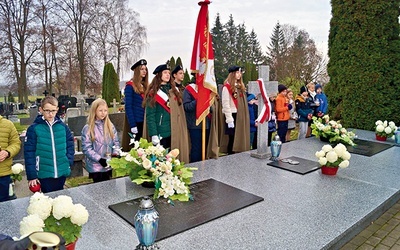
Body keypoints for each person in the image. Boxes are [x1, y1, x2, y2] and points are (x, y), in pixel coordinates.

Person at [25, 96, 74, 193]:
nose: (50, 114)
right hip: (44, 171)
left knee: (60, 196)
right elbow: (29, 152)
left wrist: (68, 161)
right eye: (47, 110)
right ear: (41, 110)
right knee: (47, 198)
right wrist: (32, 175)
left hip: (61, 170)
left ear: (57, 110)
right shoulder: (34, 128)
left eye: (53, 110)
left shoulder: (63, 127)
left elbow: (70, 145)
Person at [144, 63, 190, 163]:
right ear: (159, 75)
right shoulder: (153, 93)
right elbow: (150, 116)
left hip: (174, 131)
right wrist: (153, 134)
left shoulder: (174, 90)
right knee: (161, 161)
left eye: (169, 73)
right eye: (165, 72)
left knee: (172, 160)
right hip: (161, 131)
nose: (168, 75)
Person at [81, 98, 120, 183]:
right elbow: (86, 148)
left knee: (110, 186)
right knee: (98, 189)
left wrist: (115, 153)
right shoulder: (88, 128)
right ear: (94, 111)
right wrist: (99, 159)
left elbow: (115, 142)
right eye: (100, 110)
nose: (103, 113)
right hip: (96, 166)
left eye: (105, 110)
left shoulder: (110, 125)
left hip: (108, 163)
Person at [221, 66, 250, 154]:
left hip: (240, 115)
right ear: (232, 74)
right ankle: (230, 158)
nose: (239, 75)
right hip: (232, 115)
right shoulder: (227, 87)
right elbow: (226, 104)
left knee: (239, 137)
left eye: (240, 73)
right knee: (232, 139)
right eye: (237, 72)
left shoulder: (240, 87)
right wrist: (229, 119)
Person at [122, 59, 148, 150]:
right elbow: (128, 106)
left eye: (145, 69)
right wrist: (133, 125)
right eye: (142, 69)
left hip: (145, 121)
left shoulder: (145, 86)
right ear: (137, 71)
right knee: (137, 149)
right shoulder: (130, 86)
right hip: (136, 122)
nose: (144, 71)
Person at [183, 79, 210, 162]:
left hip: (206, 124)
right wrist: (198, 100)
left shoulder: (206, 89)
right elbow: (187, 107)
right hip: (194, 125)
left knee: (205, 149)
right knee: (196, 150)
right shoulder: (188, 89)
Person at [0, 115, 21, 202]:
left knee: (3, 205)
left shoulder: (8, 124)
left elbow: (16, 143)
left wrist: (7, 152)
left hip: (2, 174)